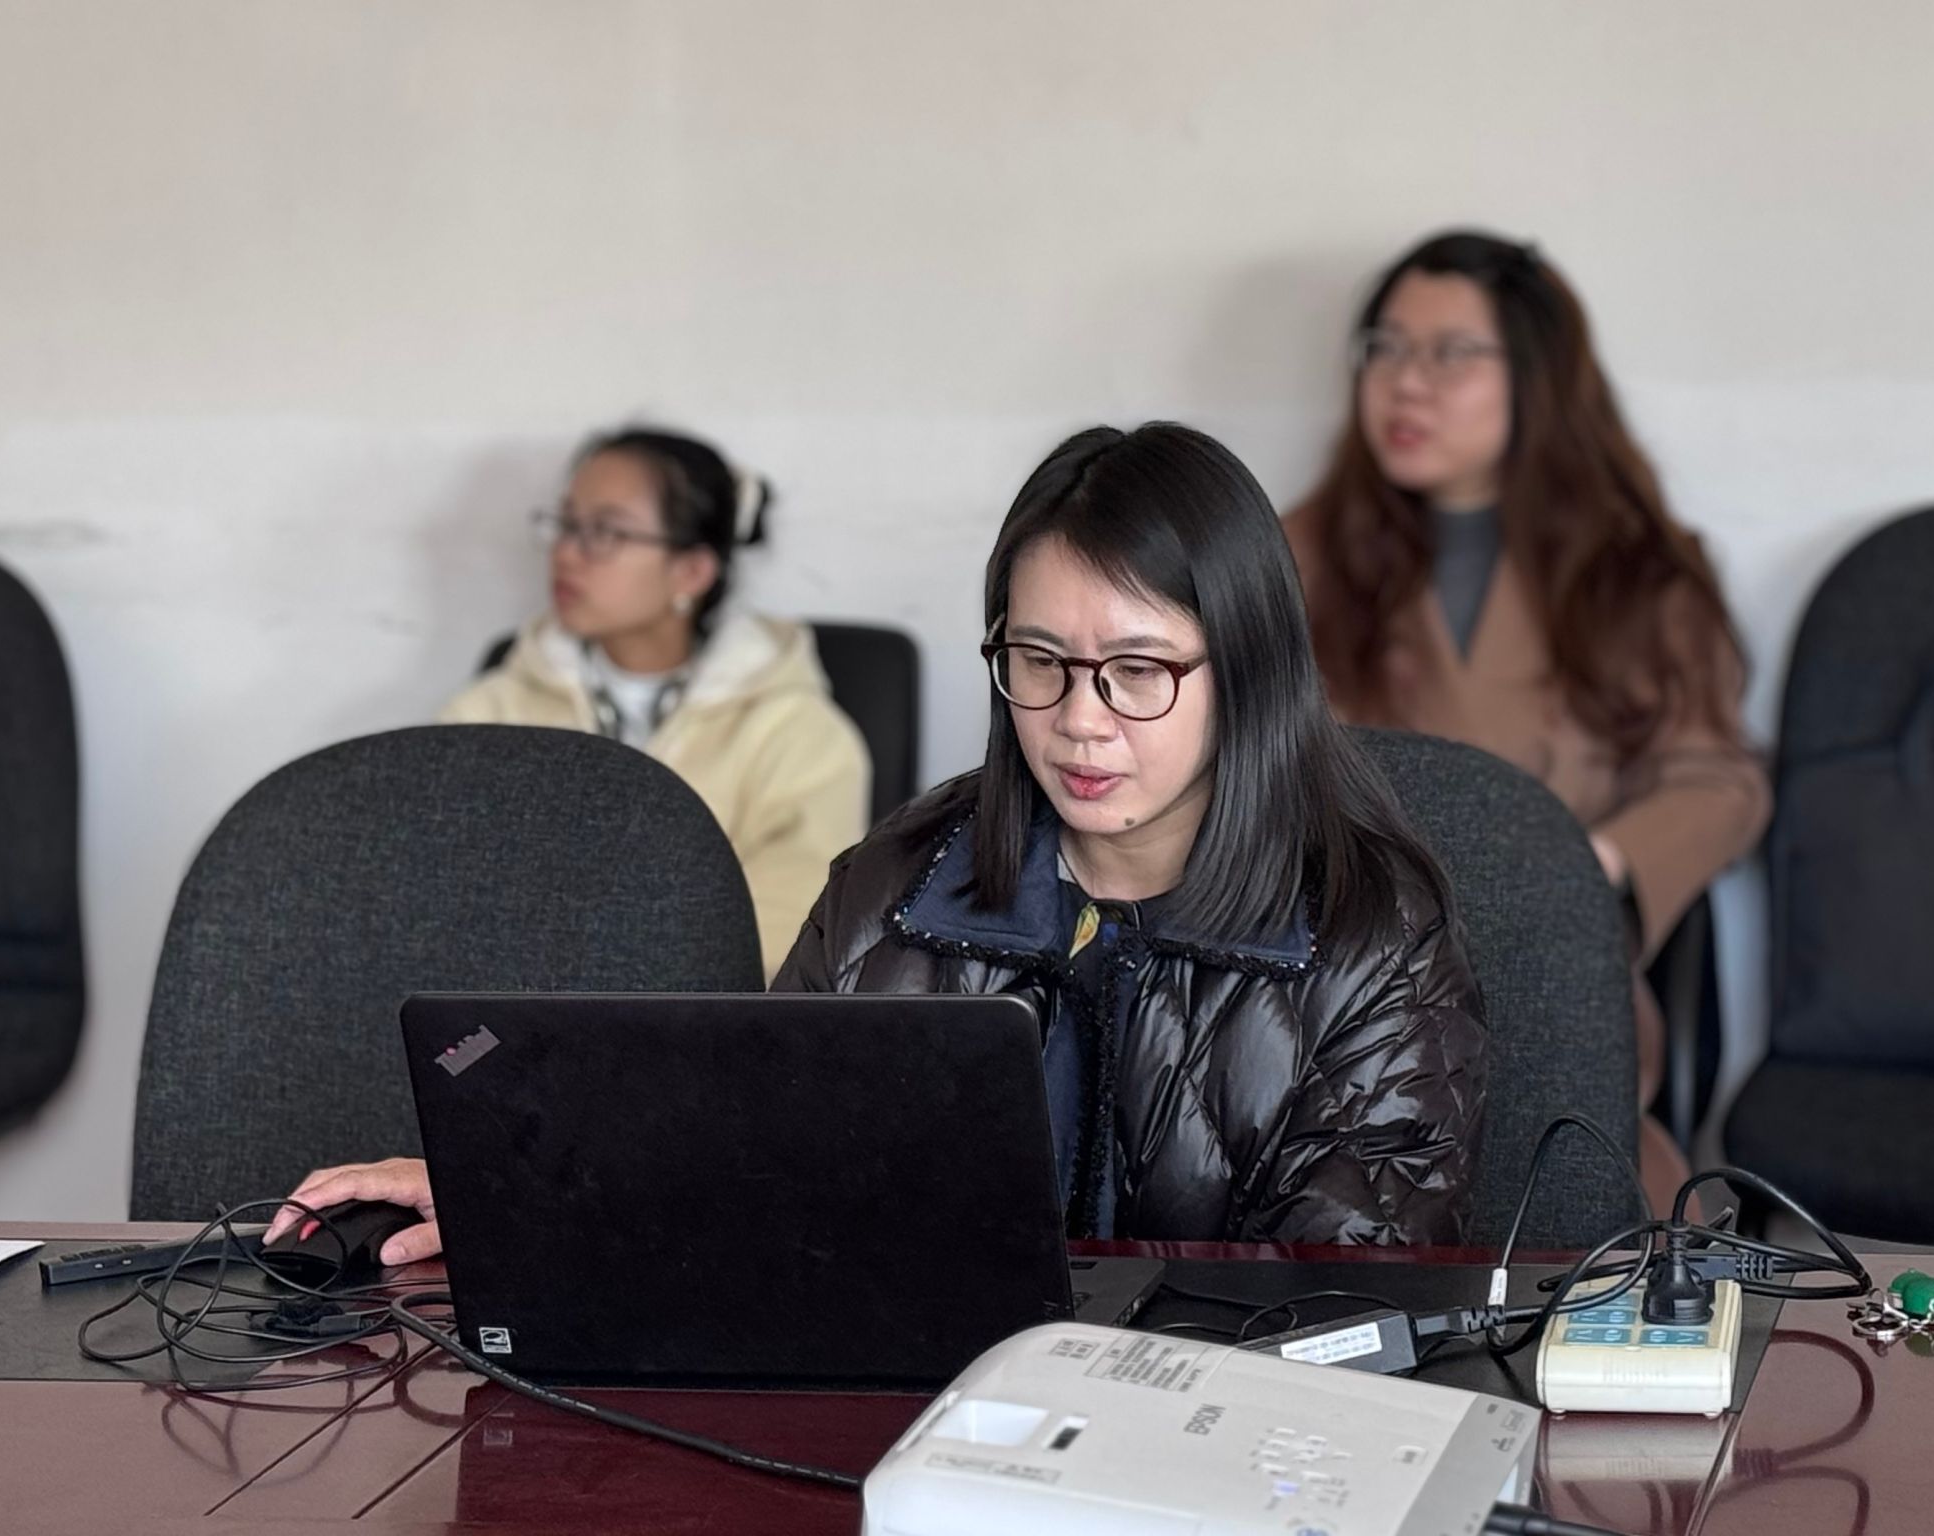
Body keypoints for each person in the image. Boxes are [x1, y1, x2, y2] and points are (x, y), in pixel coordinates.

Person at [268, 422, 1487, 1263]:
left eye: (1136, 670)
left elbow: (1344, 1302)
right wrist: (533, 1196)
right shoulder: (902, 887)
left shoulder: (1367, 936)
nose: (1078, 721)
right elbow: (751, 1167)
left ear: (1249, 670)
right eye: (1037, 661)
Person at [1284, 231, 1771, 1207]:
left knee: (1576, 1186)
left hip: (1552, 965)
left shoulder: (1639, 570)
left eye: (1451, 354)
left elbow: (1717, 779)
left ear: (1538, 376)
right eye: (1385, 347)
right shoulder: (1291, 556)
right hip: (1339, 965)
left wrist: (1590, 866)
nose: (1405, 383)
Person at [441, 426, 870, 978]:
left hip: (707, 1023)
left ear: (692, 571)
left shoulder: (802, 738)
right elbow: (443, 897)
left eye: (605, 532)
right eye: (567, 524)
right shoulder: (488, 714)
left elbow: (788, 937)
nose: (566, 552)